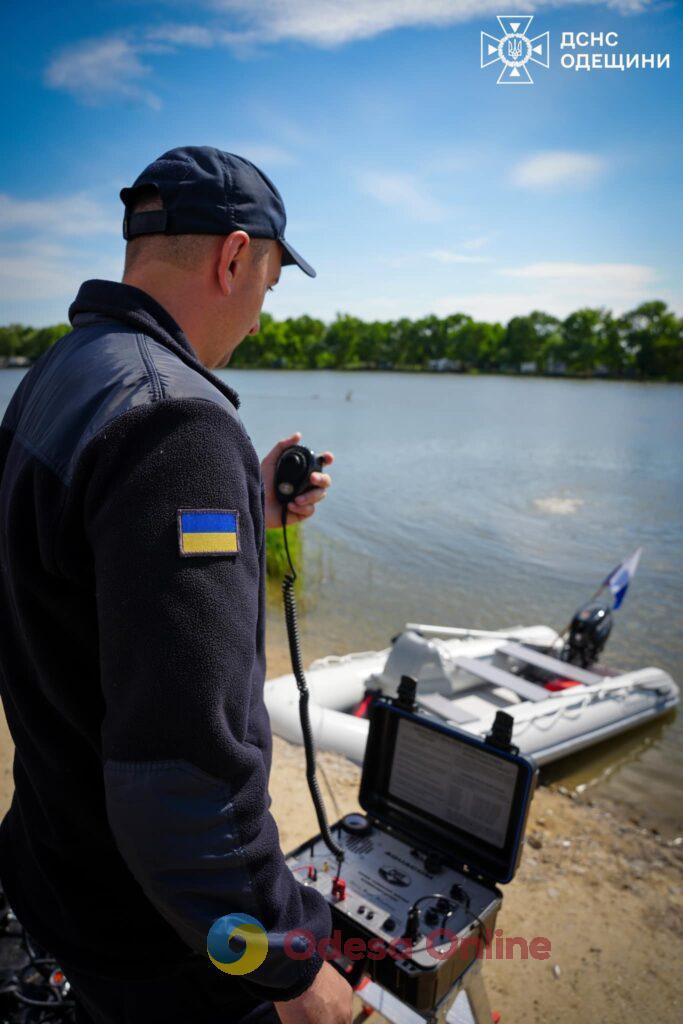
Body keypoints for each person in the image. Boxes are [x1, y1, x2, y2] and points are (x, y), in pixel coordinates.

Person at [0, 147, 353, 1023]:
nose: (263, 321)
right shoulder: (177, 425)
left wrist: (246, 517)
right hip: (154, 939)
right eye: (268, 286)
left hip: (57, 868)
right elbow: (184, 776)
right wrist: (286, 961)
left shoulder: (59, 375)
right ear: (235, 258)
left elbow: (73, 582)